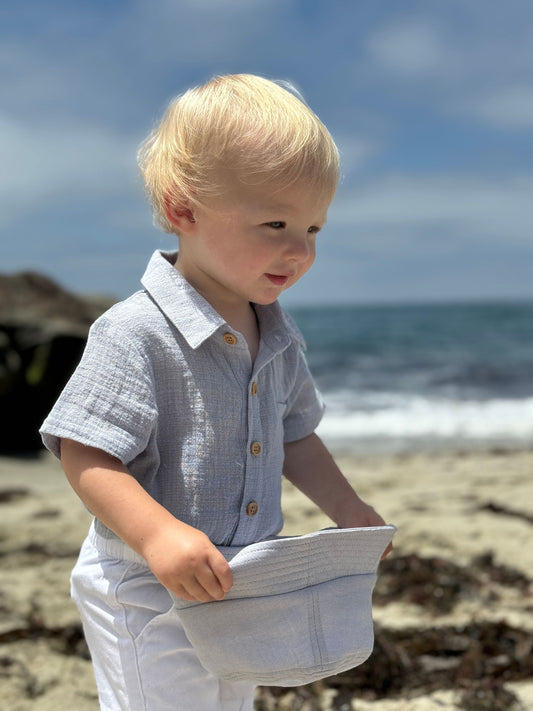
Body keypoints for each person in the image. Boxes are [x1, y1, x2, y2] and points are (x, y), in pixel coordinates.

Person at [40, 74, 390, 711]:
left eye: (314, 228)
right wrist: (158, 537)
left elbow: (297, 434)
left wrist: (350, 508)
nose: (299, 250)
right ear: (183, 210)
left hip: (245, 578)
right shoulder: (136, 331)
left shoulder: (279, 336)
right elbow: (84, 451)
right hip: (146, 582)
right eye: (275, 222)